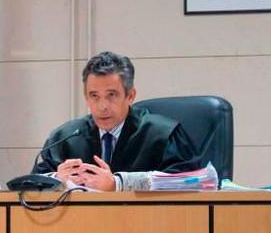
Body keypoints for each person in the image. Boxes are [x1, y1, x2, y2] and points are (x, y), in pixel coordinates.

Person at [33, 51, 201, 191]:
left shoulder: (163, 134)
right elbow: (29, 184)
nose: (102, 106)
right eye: (94, 96)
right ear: (86, 98)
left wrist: (118, 184)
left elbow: (192, 181)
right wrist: (56, 179)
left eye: (111, 95)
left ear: (130, 96)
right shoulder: (66, 137)